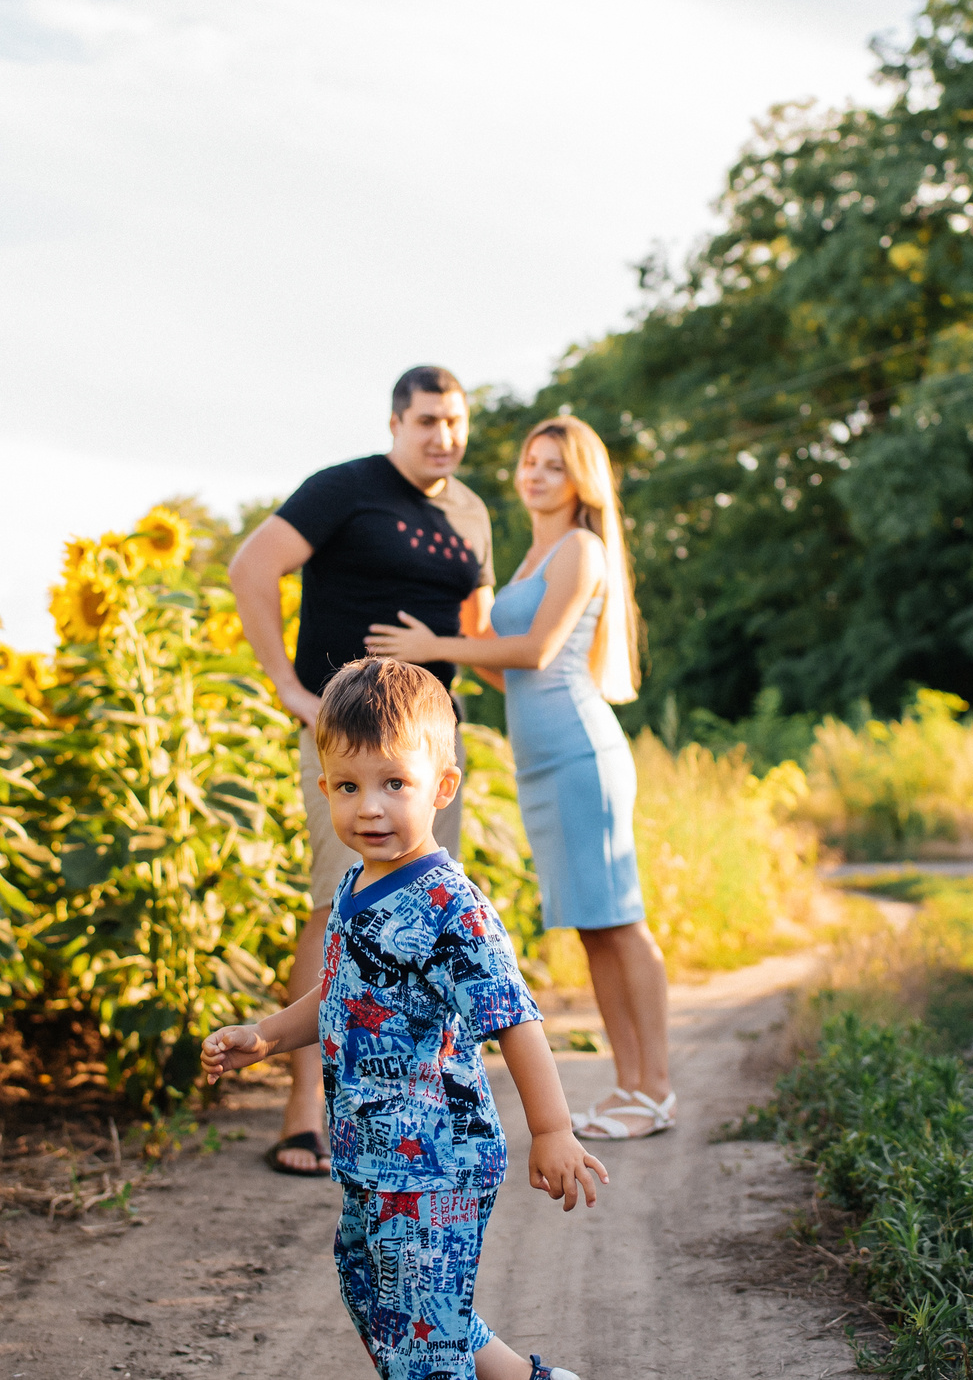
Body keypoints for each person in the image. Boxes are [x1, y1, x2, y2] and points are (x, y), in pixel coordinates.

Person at [202, 659, 602, 1380]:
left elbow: (514, 1018)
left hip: (434, 1160)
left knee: (418, 1335)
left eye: (395, 783)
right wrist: (265, 1034)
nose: (371, 808)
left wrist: (552, 1130)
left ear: (442, 788)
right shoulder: (357, 883)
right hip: (372, 1158)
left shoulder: (451, 907)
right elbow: (338, 996)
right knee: (379, 1289)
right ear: (324, 788)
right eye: (349, 787)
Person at [365, 415, 673, 1141]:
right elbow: (506, 674)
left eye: (553, 465)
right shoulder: (536, 552)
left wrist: (432, 642)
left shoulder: (581, 548)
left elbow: (534, 651)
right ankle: (631, 1085)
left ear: (580, 480)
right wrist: (443, 648)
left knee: (620, 921)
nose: (534, 475)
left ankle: (656, 1086)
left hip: (580, 755)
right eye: (529, 462)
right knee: (592, 928)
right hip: (541, 762)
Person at [227, 366, 495, 1176]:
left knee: (424, 909)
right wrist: (289, 688)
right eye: (426, 421)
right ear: (394, 422)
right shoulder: (345, 489)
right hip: (350, 742)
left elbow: (475, 629)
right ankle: (304, 1104)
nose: (443, 436)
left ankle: (405, 1096)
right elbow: (250, 566)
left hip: (431, 750)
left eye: (454, 421)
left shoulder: (473, 513)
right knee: (336, 901)